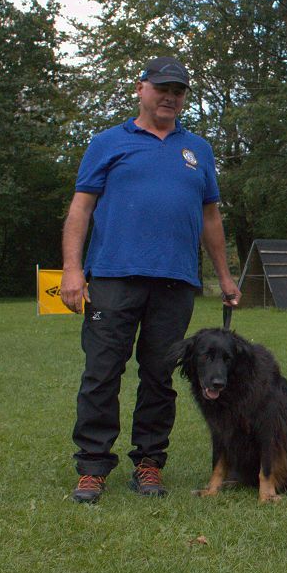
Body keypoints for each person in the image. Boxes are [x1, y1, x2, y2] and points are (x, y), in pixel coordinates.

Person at [61, 55, 241, 504]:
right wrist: (71, 270)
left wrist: (224, 275)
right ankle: (93, 467)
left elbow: (210, 217)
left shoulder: (197, 149)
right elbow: (80, 209)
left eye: (178, 91)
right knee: (102, 372)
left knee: (160, 376)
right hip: (113, 277)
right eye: (162, 88)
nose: (170, 97)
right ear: (140, 89)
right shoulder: (107, 142)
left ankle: (149, 463)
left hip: (175, 281)